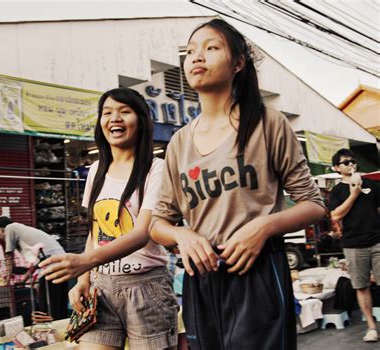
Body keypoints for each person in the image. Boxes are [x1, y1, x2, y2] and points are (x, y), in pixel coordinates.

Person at [149, 19, 326, 350]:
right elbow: (158, 224)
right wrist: (183, 235)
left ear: (238, 63)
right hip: (200, 279)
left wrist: (262, 228)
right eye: (190, 51)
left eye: (211, 48)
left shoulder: (267, 123)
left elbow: (313, 204)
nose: (197, 57)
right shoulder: (178, 143)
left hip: (258, 273)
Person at [40, 88, 179, 350]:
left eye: (124, 111)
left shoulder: (156, 168)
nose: (114, 118)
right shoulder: (96, 170)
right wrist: (83, 279)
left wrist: (84, 262)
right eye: (107, 113)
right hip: (100, 289)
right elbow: (95, 231)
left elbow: (143, 232)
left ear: (141, 120)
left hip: (146, 287)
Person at [328, 148, 380, 342]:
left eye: (353, 160)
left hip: (377, 240)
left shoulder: (373, 185)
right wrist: (354, 194)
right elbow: (335, 215)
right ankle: (371, 327)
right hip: (354, 244)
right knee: (361, 286)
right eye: (346, 162)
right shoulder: (337, 191)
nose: (351, 164)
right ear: (337, 168)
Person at [0, 216, 68, 321]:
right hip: (60, 263)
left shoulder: (10, 228)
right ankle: (61, 329)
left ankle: (52, 331)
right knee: (59, 305)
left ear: (1, 229)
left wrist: (6, 279)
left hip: (51, 266)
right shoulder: (22, 232)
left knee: (46, 307)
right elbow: (35, 264)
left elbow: (8, 256)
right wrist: (24, 280)